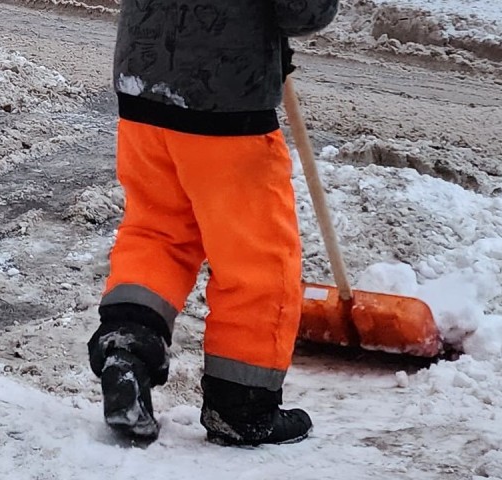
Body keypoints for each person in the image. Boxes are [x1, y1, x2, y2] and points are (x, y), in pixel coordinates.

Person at [87, 0, 339, 446]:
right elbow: (304, 11)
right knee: (256, 260)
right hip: (225, 102)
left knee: (157, 231)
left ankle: (127, 350)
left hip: (143, 85)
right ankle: (241, 406)